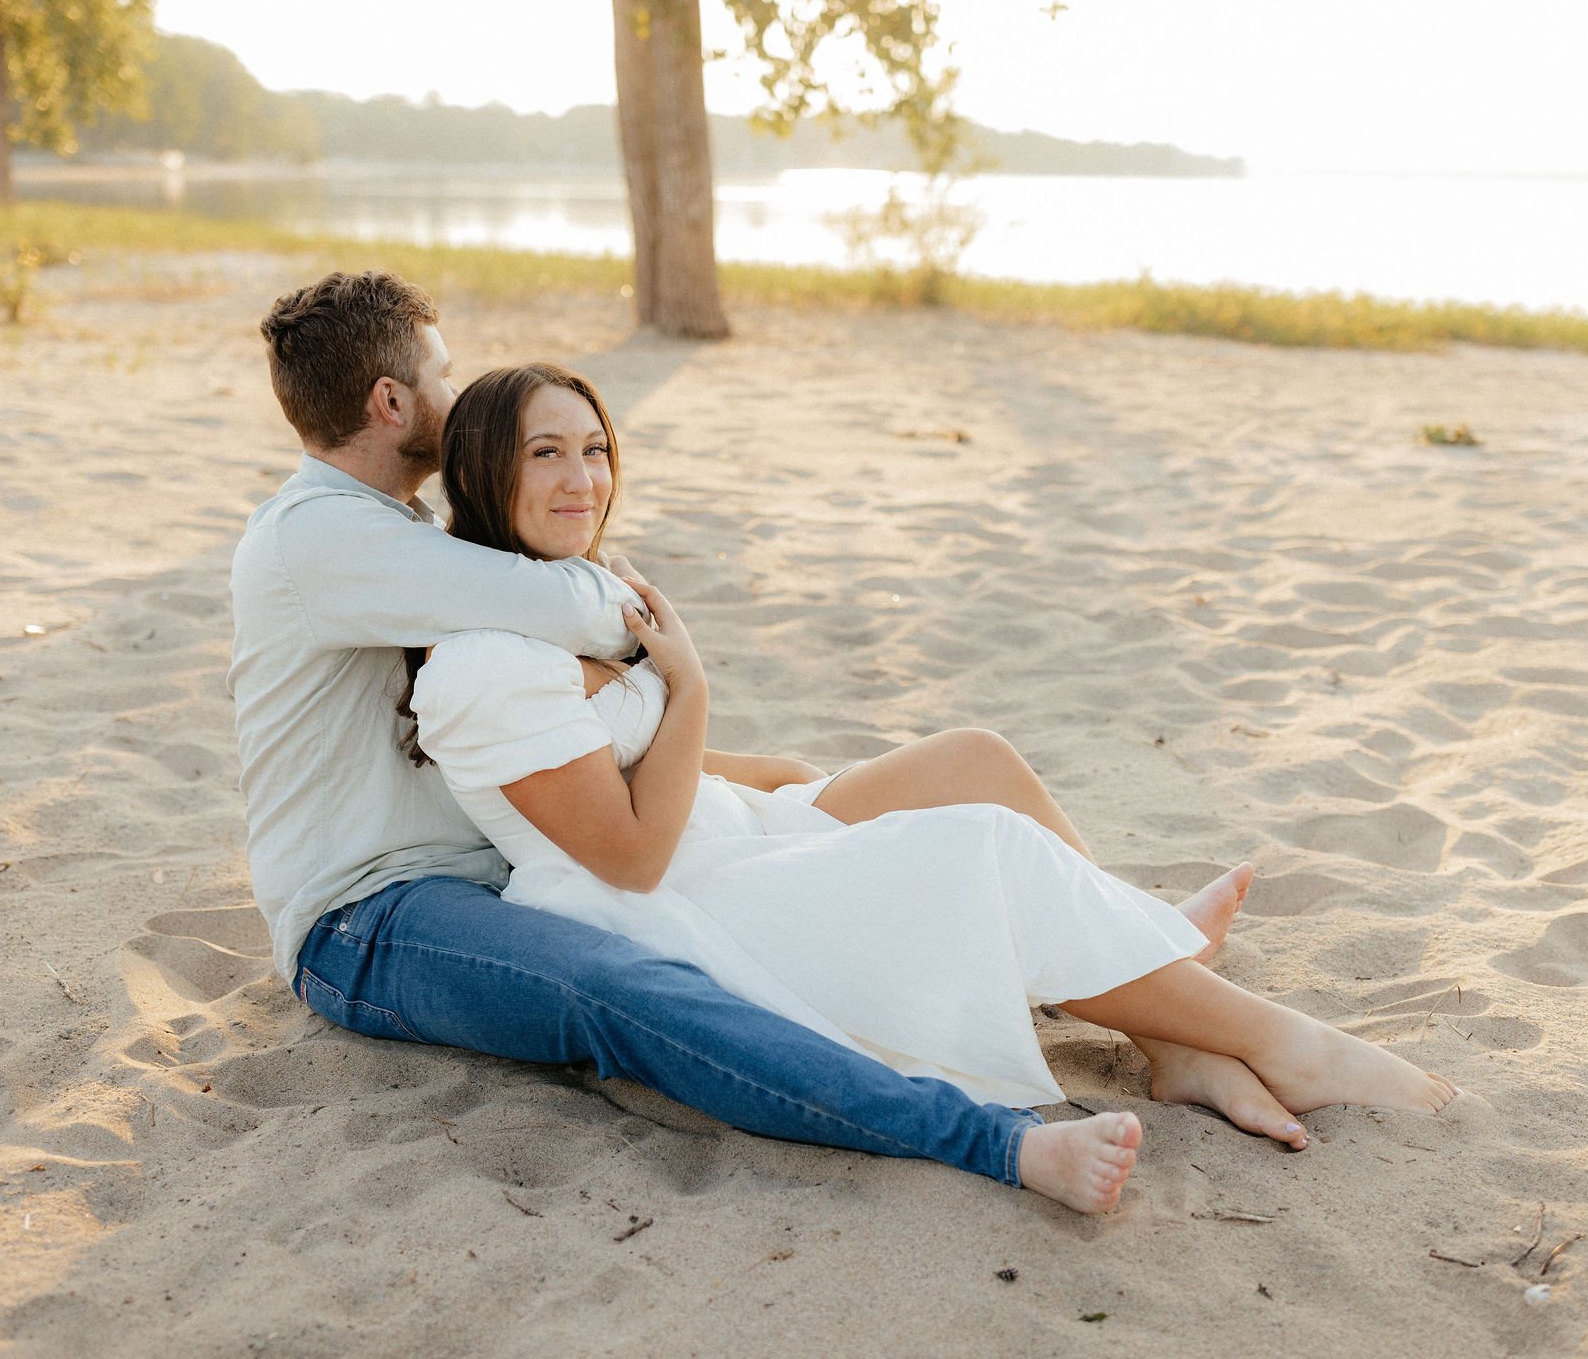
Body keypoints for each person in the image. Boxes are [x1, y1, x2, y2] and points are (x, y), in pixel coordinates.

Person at [230, 270, 1279, 1217]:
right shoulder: (317, 536)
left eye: (590, 453)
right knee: (622, 991)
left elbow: (539, 664)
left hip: (507, 850)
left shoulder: (400, 535)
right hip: (371, 914)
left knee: (950, 768)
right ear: (390, 400)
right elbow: (568, 601)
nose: (462, 402)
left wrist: (720, 740)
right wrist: (653, 634)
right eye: (444, 376)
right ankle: (994, 1139)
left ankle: (1157, 1001)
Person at [397, 362, 1460, 1142]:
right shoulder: (486, 661)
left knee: (970, 762)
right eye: (546, 453)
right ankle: (1276, 1040)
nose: (581, 477)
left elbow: (662, 759)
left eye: (593, 449)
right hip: (673, 893)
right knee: (981, 851)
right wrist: (692, 683)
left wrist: (796, 779)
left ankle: (1171, 1035)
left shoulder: (574, 600)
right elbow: (626, 850)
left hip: (722, 832)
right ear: (487, 474)